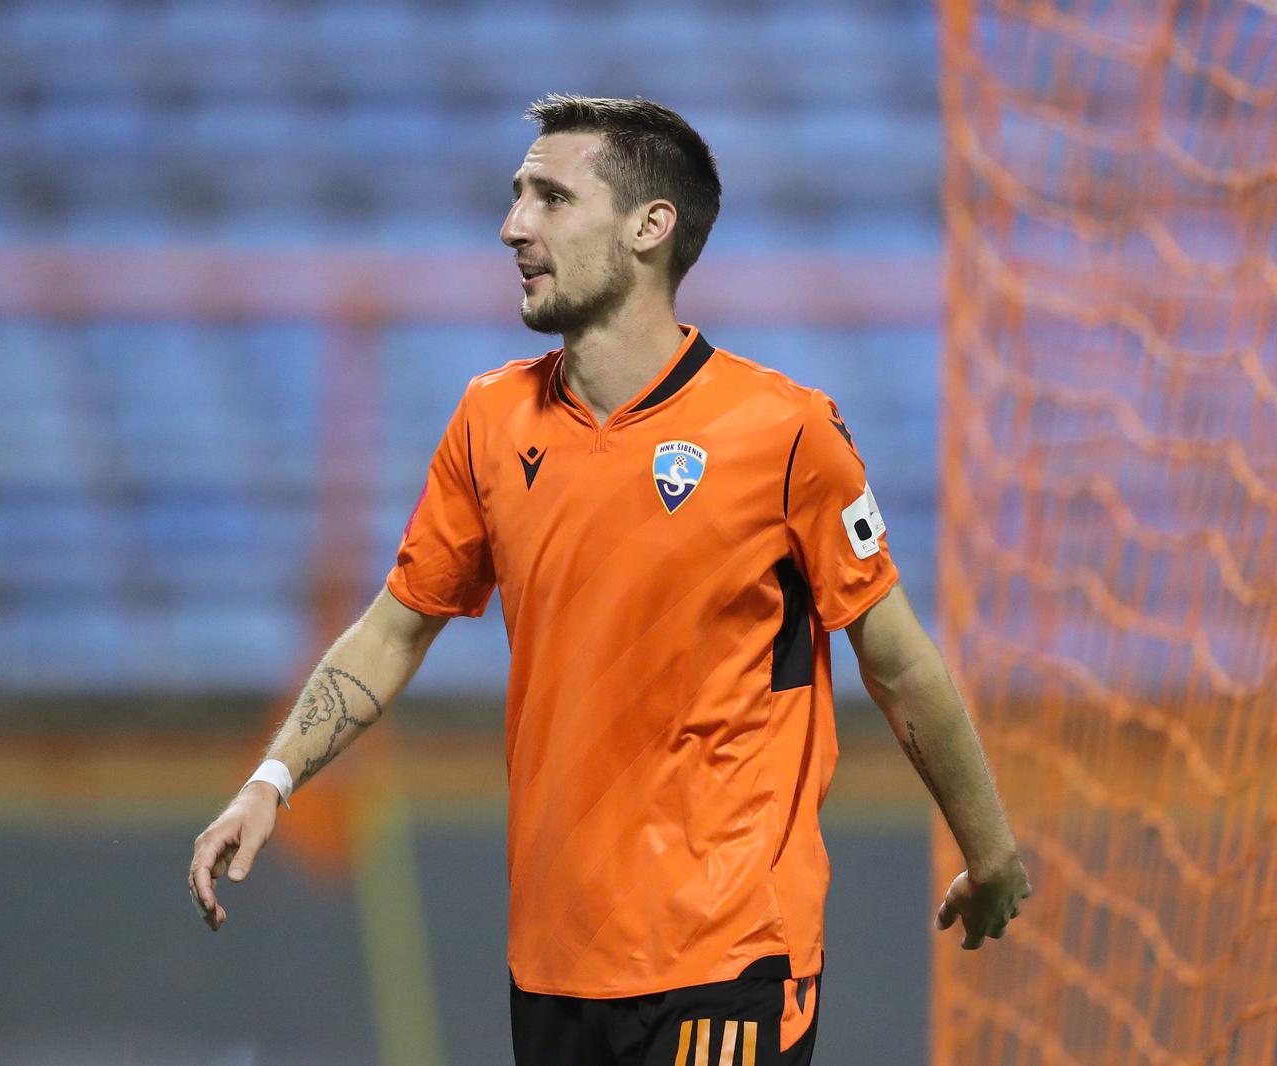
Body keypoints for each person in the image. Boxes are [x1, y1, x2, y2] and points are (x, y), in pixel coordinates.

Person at [189, 94, 1031, 1066]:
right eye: (516, 196)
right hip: (552, 964)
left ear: (648, 226)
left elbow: (898, 662)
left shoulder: (786, 433)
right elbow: (394, 627)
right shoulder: (488, 422)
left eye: (549, 198)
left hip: (725, 949)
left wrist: (989, 849)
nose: (513, 225)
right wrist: (271, 777)